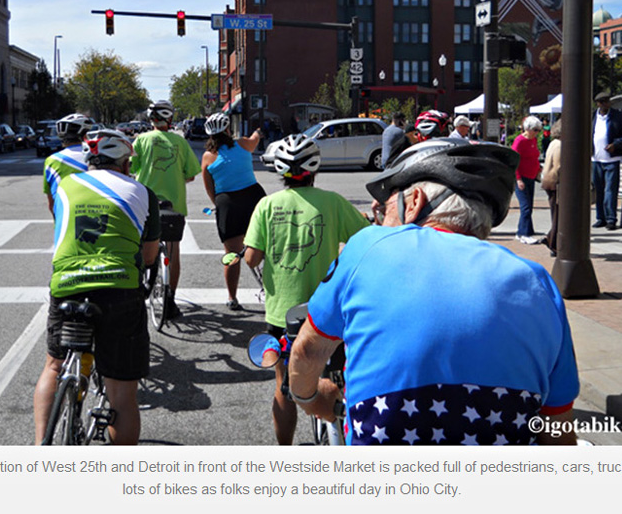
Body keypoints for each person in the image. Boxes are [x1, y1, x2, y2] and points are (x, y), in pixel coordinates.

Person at [288, 138, 580, 446]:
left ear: (413, 202)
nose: (381, 219)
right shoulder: (537, 282)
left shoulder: (369, 246)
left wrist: (308, 398)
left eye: (386, 207)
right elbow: (557, 426)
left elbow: (308, 351)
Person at [33, 129, 160, 445]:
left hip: (67, 285)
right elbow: (148, 256)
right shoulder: (142, 192)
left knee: (54, 365)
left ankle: (40, 448)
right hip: (118, 290)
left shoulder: (64, 185)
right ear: (125, 163)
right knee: (121, 392)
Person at [243, 134, 370, 445]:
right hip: (327, 310)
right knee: (338, 373)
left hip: (283, 313)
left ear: (281, 172)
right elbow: (366, 240)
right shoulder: (335, 202)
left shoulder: (267, 205)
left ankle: (285, 451)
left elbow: (251, 257)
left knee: (284, 384)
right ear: (315, 169)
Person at [130, 100, 201, 319]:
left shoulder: (140, 140)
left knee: (140, 248)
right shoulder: (180, 142)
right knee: (173, 252)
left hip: (145, 204)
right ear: (169, 119)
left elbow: (131, 168)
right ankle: (170, 300)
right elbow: (190, 174)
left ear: (151, 120)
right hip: (174, 205)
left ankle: (137, 296)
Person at [200, 113, 266, 310]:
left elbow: (209, 188)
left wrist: (221, 204)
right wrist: (257, 132)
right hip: (253, 197)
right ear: (228, 130)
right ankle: (272, 289)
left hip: (227, 202)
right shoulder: (243, 144)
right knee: (266, 246)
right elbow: (255, 139)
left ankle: (232, 297)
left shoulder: (208, 156)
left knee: (232, 254)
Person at [591, 91, 622, 230]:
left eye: (608, 101)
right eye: (604, 102)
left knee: (610, 191)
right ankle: (600, 218)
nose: (607, 104)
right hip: (596, 159)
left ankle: (611, 219)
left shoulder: (618, 116)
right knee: (599, 190)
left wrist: (615, 144)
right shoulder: (593, 116)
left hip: (612, 159)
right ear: (598, 104)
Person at [42, 113, 93, 214]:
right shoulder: (94, 157)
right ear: (85, 135)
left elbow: (51, 204)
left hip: (64, 217)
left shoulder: (51, 160)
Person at [512, 115, 543, 244]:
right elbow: (514, 161)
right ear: (528, 128)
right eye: (535, 130)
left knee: (529, 205)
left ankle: (526, 230)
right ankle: (523, 233)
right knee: (525, 207)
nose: (537, 133)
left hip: (531, 176)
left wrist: (538, 168)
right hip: (522, 177)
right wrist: (518, 179)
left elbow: (535, 156)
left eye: (538, 130)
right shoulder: (519, 141)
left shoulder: (533, 140)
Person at [541, 119, 562, 257]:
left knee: (555, 214)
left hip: (547, 181)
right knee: (558, 215)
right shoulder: (560, 145)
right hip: (555, 183)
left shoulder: (552, 143)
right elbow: (559, 166)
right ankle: (552, 242)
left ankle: (550, 238)